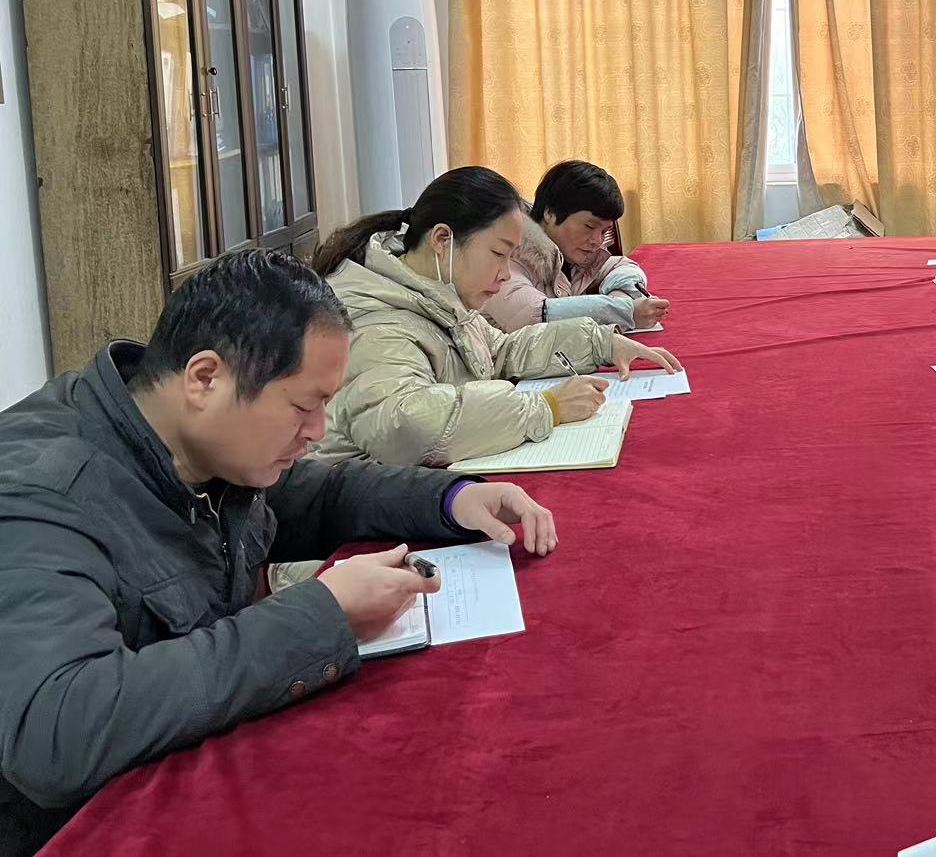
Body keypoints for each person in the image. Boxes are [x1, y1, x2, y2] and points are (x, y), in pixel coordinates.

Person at [0, 250, 559, 854]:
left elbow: (320, 494)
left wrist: (451, 498)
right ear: (205, 378)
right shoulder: (41, 495)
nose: (318, 430)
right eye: (302, 406)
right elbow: (57, 732)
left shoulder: (193, 437)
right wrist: (322, 614)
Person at [310, 166, 679, 468]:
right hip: (358, 516)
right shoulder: (377, 323)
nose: (505, 275)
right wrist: (545, 408)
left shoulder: (438, 293)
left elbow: (500, 350)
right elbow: (406, 426)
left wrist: (600, 342)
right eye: (499, 255)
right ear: (442, 241)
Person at [483, 160, 669, 335]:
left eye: (604, 231)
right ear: (550, 213)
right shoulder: (505, 255)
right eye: (589, 226)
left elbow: (621, 266)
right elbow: (532, 316)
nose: (597, 241)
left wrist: (619, 298)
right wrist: (625, 312)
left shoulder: (571, 253)